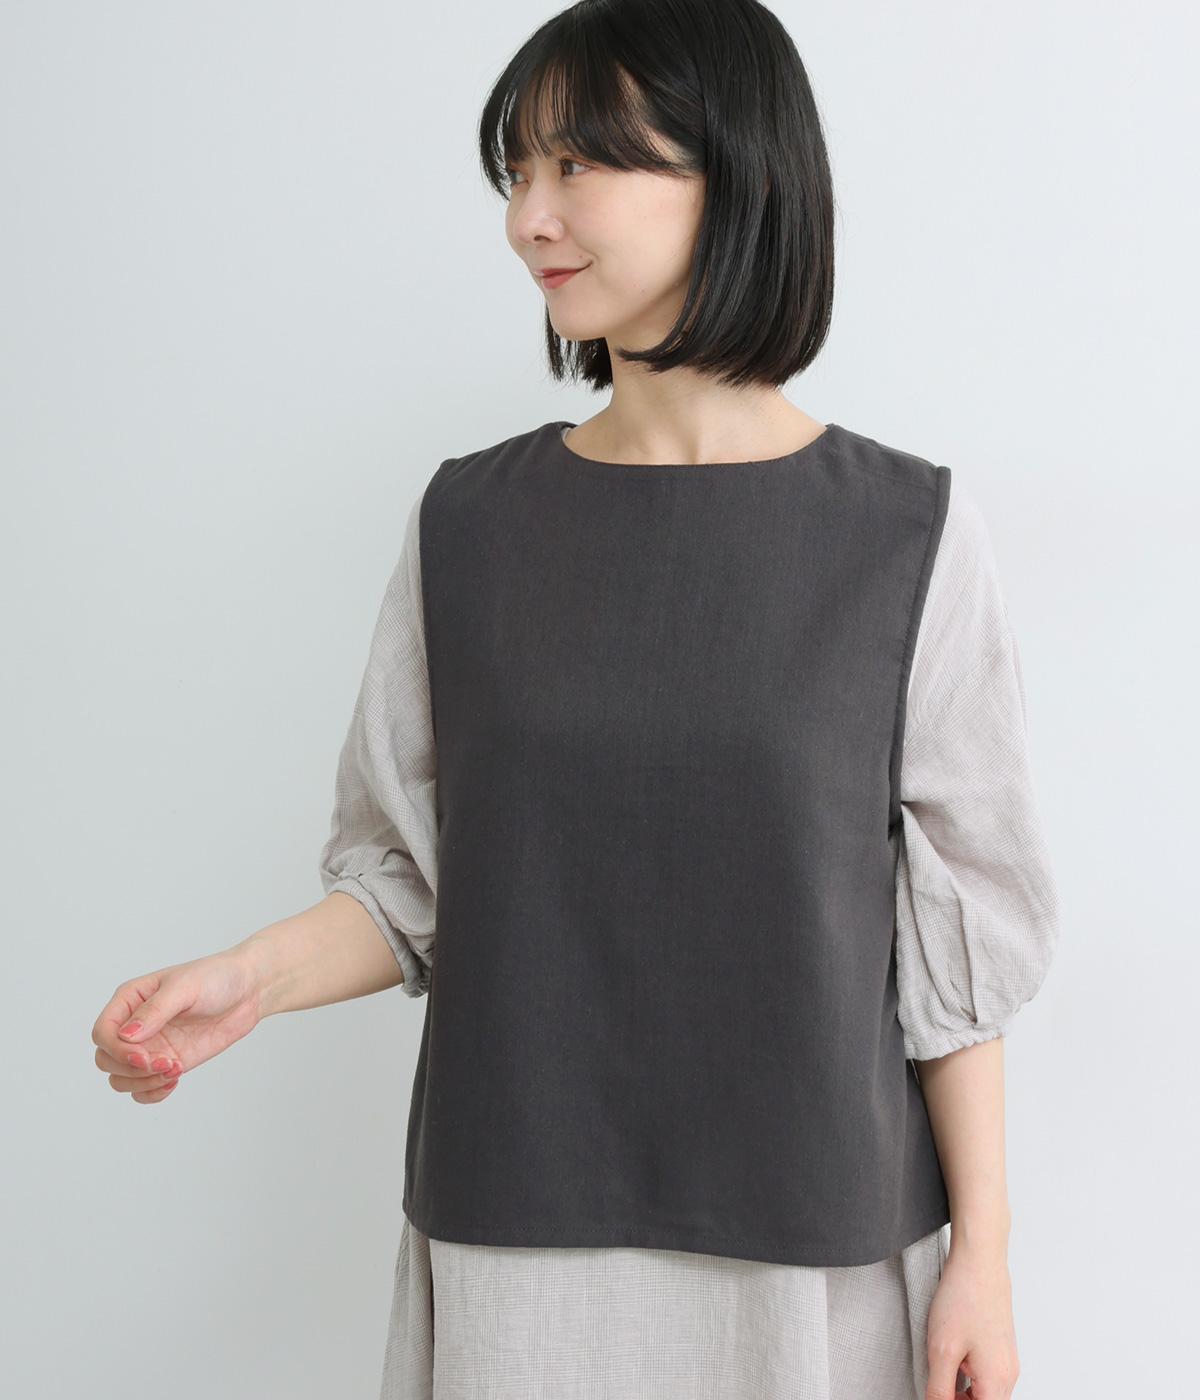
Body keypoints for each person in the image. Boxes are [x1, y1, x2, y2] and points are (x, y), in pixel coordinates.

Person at [91, 2, 1060, 1396]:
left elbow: (954, 958)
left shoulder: (906, 537)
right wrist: (247, 981)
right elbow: (411, 882)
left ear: (736, 178)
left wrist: (987, 1255)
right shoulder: (470, 526)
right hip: (518, 1244)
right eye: (516, 173)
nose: (527, 220)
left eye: (577, 165)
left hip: (818, 1253)